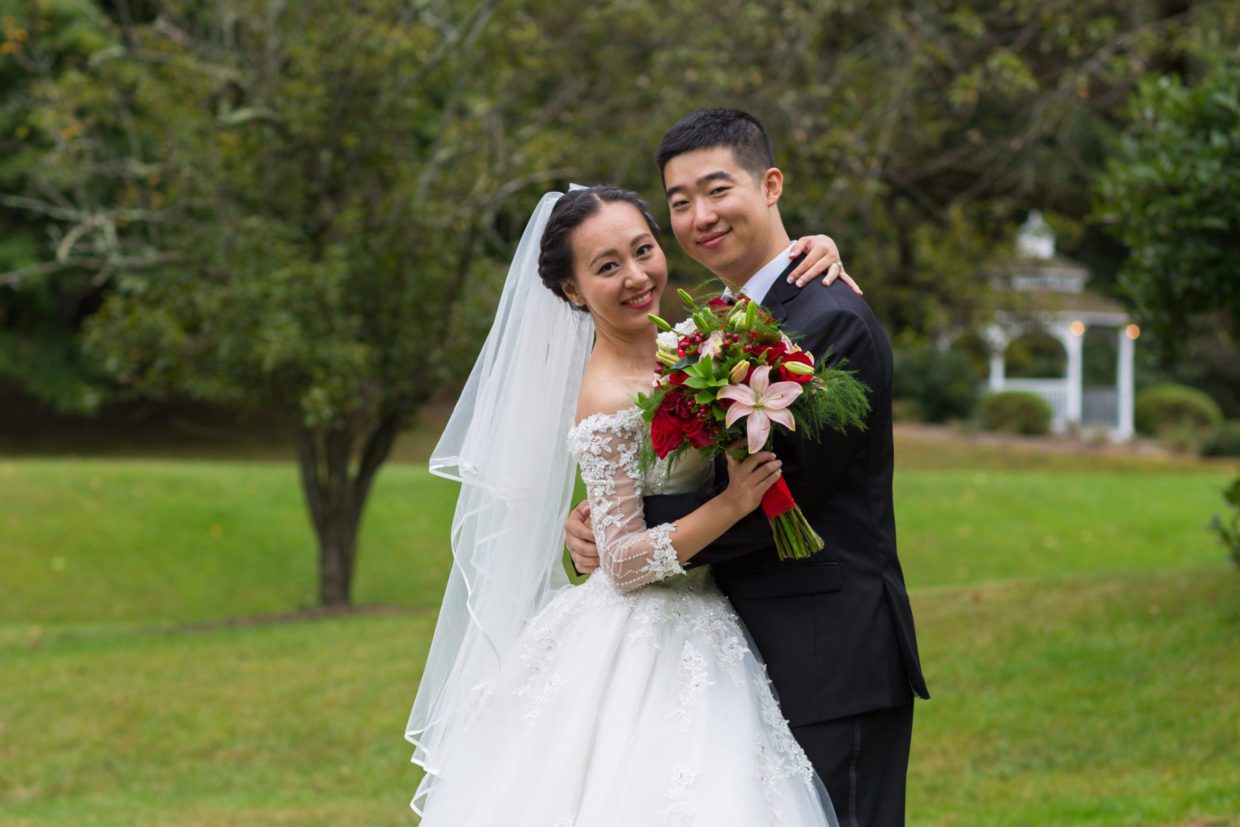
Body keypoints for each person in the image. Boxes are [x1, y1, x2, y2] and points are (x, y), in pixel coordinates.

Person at [406, 185, 852, 825]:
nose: (637, 276)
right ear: (572, 290)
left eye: (643, 250)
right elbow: (620, 563)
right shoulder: (608, 396)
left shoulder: (696, 342)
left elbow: (765, 290)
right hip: (648, 636)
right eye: (607, 266)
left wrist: (819, 247)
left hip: (711, 611)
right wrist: (731, 504)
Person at [564, 109, 930, 827]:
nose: (700, 216)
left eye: (716, 189)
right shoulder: (725, 318)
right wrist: (606, 525)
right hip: (745, 650)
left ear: (770, 185)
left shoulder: (828, 319)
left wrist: (620, 534)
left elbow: (774, 495)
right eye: (679, 202)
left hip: (830, 656)